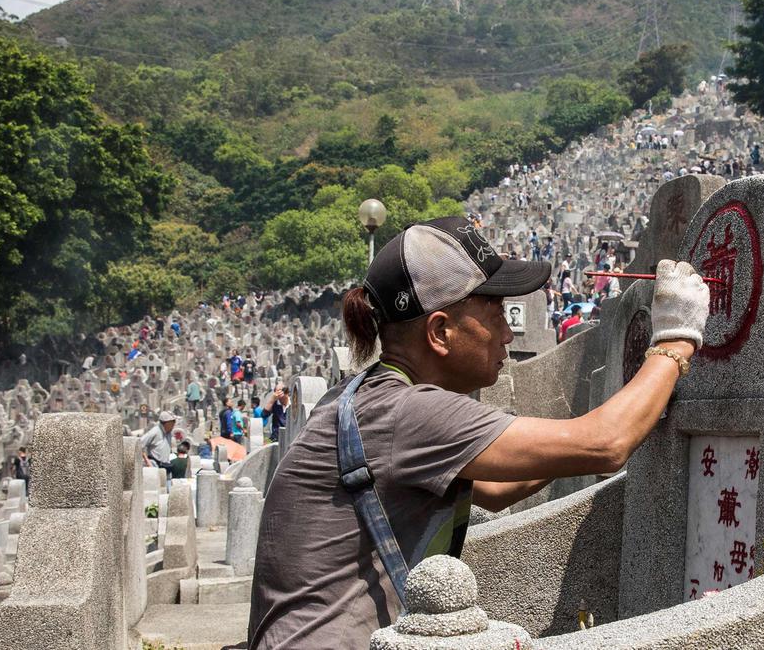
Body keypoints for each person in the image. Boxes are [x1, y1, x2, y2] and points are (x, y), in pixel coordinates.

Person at [248, 216, 708, 648]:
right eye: (495, 314)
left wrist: (620, 414)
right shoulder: (408, 412)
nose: (507, 334)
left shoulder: (365, 396)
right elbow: (605, 444)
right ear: (440, 332)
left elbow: (495, 487)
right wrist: (675, 338)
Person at [140, 411, 177, 477]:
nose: (174, 424)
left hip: (166, 465)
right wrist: (147, 461)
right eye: (172, 422)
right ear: (165, 423)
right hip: (155, 465)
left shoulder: (169, 433)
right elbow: (140, 444)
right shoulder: (155, 432)